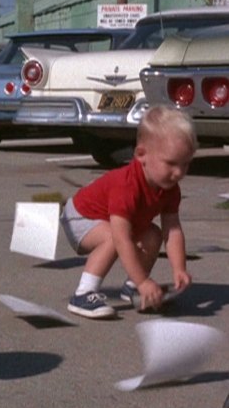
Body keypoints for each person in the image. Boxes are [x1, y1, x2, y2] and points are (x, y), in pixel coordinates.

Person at [59, 106, 197, 319]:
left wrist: (179, 268)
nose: (179, 172)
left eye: (185, 164)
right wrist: (145, 281)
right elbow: (122, 238)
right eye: (170, 163)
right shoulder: (127, 185)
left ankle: (132, 288)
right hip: (80, 217)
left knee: (153, 234)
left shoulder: (169, 188)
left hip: (113, 221)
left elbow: (173, 231)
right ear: (141, 154)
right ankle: (83, 293)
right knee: (113, 238)